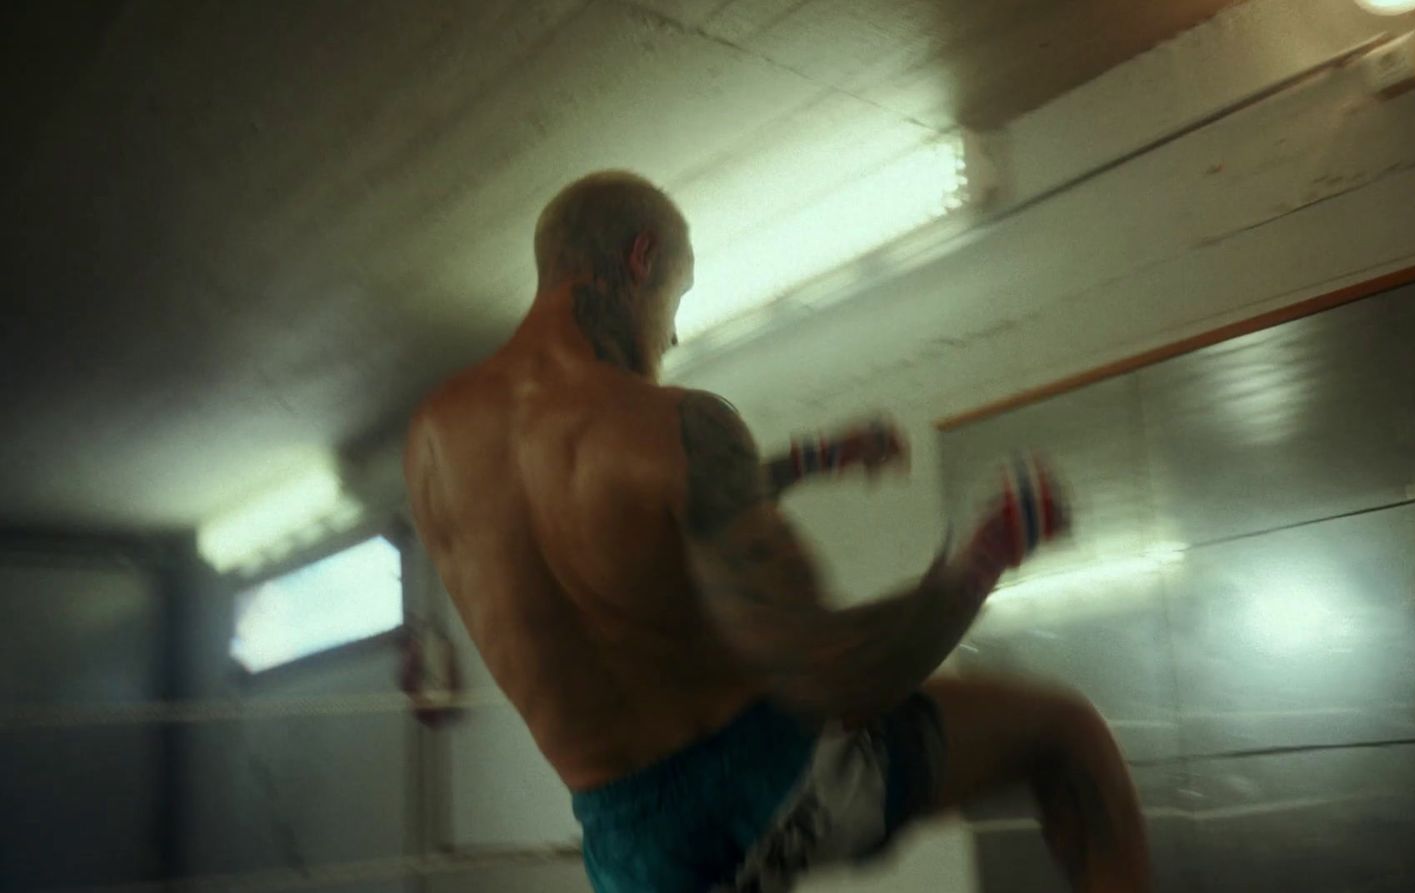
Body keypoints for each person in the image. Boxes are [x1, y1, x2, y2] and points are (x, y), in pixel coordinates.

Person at [403, 171, 1149, 892]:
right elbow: (835, 676)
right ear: (642, 257)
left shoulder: (434, 439)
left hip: (628, 855)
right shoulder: (674, 424)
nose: (673, 329)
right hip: (762, 792)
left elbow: (627, 528)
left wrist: (817, 456)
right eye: (676, 296)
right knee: (1070, 737)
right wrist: (984, 558)